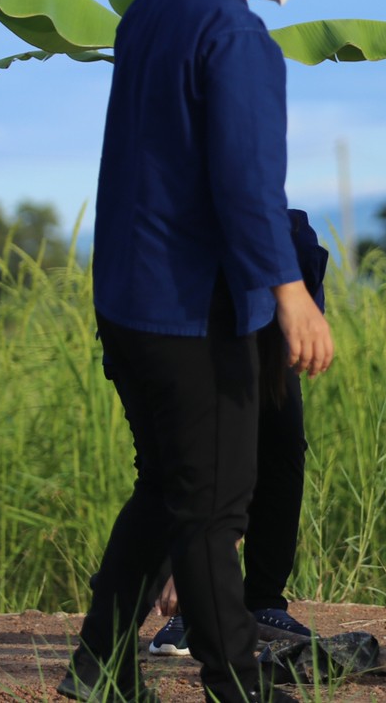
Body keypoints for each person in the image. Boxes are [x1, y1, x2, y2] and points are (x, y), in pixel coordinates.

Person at [59, 0, 336, 703]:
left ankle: (97, 669)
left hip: (130, 297)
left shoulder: (155, 9)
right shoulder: (238, 38)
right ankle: (240, 683)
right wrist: (290, 293)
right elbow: (245, 182)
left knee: (171, 488)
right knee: (215, 504)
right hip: (194, 309)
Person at [145, 210, 327, 660]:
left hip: (263, 274)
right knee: (182, 459)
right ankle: (188, 603)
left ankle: (263, 602)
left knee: (282, 444)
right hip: (182, 307)